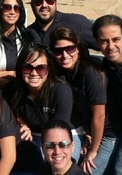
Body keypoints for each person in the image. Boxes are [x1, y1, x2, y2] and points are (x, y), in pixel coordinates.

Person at [6, 42, 83, 161]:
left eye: (41, 68)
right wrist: (20, 122)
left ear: (49, 69)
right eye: (27, 68)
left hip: (63, 138)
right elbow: (9, 112)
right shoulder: (13, 89)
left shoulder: (61, 91)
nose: (34, 73)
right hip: (33, 135)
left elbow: (57, 131)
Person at [49, 27, 106, 174]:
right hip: (90, 133)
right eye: (58, 51)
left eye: (70, 48)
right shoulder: (62, 73)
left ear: (78, 49)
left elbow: (99, 116)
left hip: (107, 134)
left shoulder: (90, 74)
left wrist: (93, 150)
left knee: (87, 170)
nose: (64, 55)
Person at [91, 14, 122, 174]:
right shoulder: (107, 65)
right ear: (97, 43)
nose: (110, 46)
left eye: (116, 39)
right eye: (104, 41)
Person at [28, 0, 98, 51]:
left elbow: (105, 46)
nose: (44, 5)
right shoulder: (27, 34)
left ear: (55, 3)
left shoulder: (77, 23)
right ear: (32, 5)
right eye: (38, 1)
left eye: (49, 1)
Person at [0, 0, 30, 88]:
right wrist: (19, 76)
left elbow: (32, 74)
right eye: (7, 7)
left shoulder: (29, 38)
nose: (12, 12)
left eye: (17, 8)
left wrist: (4, 74)